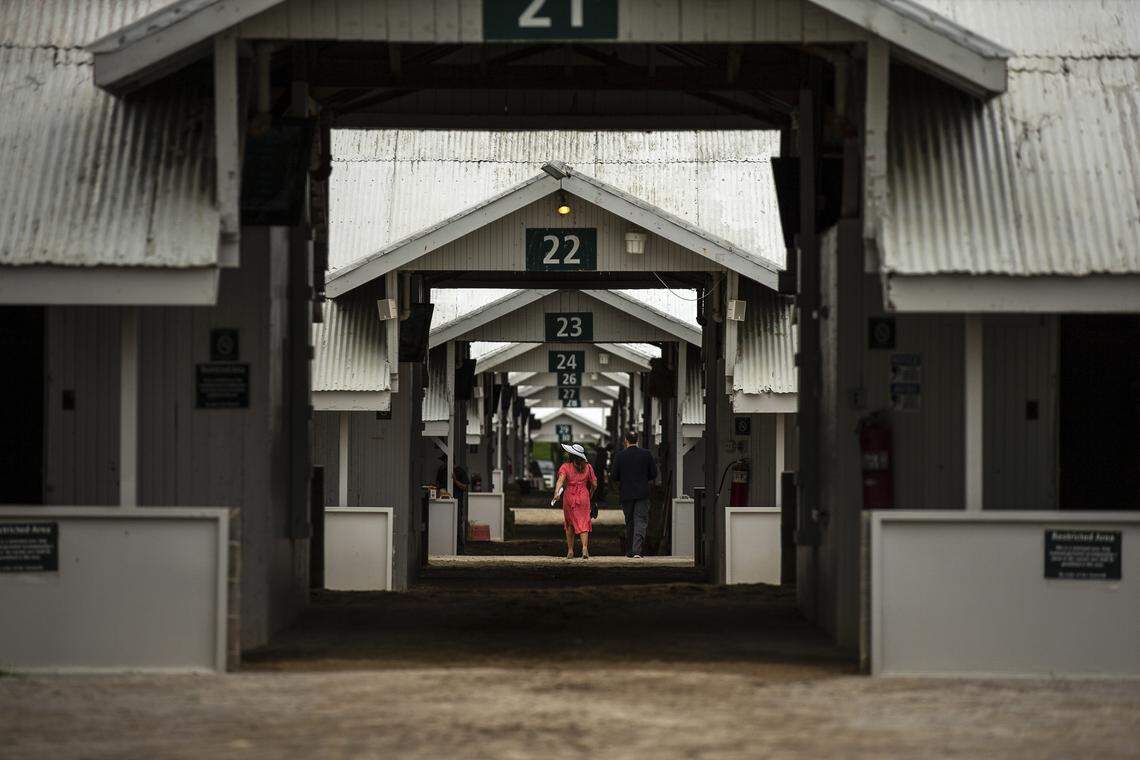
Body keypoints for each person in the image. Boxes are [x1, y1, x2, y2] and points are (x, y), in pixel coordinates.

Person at [611, 429, 657, 558]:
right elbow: (654, 474)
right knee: (640, 521)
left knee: (630, 521)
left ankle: (629, 550)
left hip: (626, 493)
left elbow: (614, 476)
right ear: (638, 440)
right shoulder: (646, 454)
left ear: (625, 440)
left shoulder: (620, 456)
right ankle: (637, 550)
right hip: (642, 493)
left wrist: (625, 478)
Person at [551, 442, 597, 559]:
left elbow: (560, 481)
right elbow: (594, 484)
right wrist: (590, 494)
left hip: (569, 496)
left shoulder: (565, 467)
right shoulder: (589, 467)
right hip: (584, 496)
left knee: (569, 523)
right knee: (584, 522)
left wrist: (557, 492)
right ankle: (585, 548)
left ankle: (570, 550)